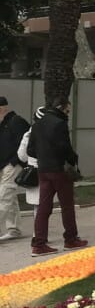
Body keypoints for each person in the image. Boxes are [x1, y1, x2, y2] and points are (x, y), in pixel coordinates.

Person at [27, 98, 87, 255]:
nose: (68, 113)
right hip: (59, 169)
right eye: (68, 110)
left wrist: (43, 157)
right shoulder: (59, 124)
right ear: (62, 108)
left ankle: (39, 244)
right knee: (67, 205)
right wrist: (73, 159)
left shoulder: (37, 124)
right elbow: (64, 147)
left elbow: (30, 150)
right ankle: (71, 239)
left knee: (43, 207)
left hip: (43, 170)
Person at [0, 96, 29, 241]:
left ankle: (13, 228)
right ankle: (14, 229)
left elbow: (26, 142)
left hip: (12, 165)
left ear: (2, 108)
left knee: (4, 197)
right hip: (4, 166)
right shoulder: (2, 124)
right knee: (9, 197)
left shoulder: (16, 121)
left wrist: (15, 162)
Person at [16, 108, 43, 225]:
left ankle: (38, 234)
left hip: (34, 172)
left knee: (38, 206)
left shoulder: (29, 134)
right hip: (52, 170)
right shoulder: (55, 130)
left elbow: (22, 156)